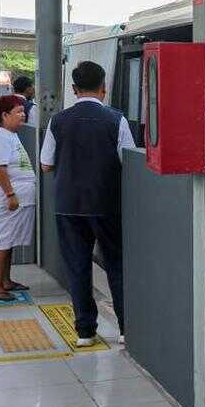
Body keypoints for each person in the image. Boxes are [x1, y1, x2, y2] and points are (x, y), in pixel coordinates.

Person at [40, 61, 135, 347]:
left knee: (78, 267)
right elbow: (129, 161)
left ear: (74, 88)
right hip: (107, 204)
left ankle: (85, 331)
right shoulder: (116, 120)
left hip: (68, 205)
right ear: (104, 87)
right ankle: (126, 329)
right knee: (116, 264)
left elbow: (45, 164)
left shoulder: (58, 121)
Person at [0, 95, 36, 302]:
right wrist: (10, 194)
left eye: (23, 111)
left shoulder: (9, 135)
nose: (23, 115)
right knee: (3, 241)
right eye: (18, 112)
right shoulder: (0, 136)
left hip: (17, 199)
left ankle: (6, 281)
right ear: (4, 115)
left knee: (9, 241)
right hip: (6, 200)